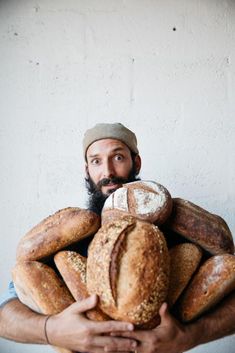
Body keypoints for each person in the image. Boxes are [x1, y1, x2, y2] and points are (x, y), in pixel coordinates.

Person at [0, 122, 235, 353]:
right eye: (96, 161)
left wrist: (191, 336)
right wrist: (51, 330)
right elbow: (4, 314)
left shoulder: (178, 231)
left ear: (136, 162)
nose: (108, 172)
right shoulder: (66, 240)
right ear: (87, 170)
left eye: (118, 157)